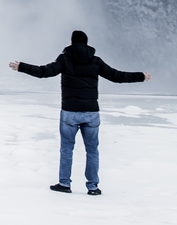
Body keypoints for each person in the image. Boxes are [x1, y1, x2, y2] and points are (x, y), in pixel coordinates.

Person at [9, 30, 150, 196]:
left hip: (70, 112)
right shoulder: (95, 61)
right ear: (86, 43)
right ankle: (93, 187)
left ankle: (64, 184)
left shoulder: (64, 59)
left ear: (71, 42)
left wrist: (21, 67)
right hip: (91, 113)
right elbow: (116, 76)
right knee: (92, 151)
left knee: (67, 149)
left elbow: (44, 72)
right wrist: (141, 76)